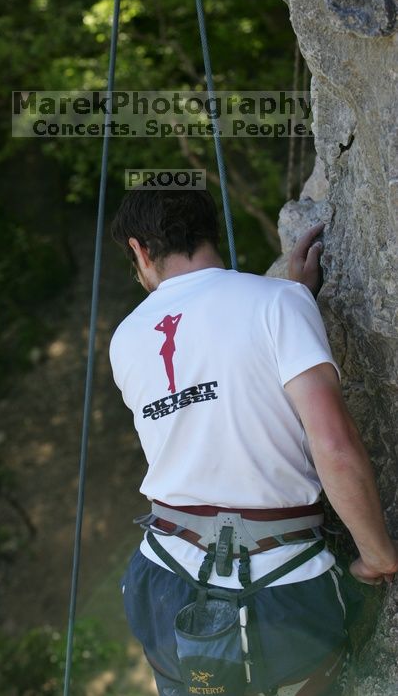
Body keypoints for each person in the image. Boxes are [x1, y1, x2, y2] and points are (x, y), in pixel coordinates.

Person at [108, 189, 397, 696]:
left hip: (163, 585)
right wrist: (377, 557)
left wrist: (290, 301)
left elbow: (206, 399)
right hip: (282, 597)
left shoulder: (125, 338)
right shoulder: (278, 304)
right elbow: (333, 442)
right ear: (210, 233)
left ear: (140, 251)